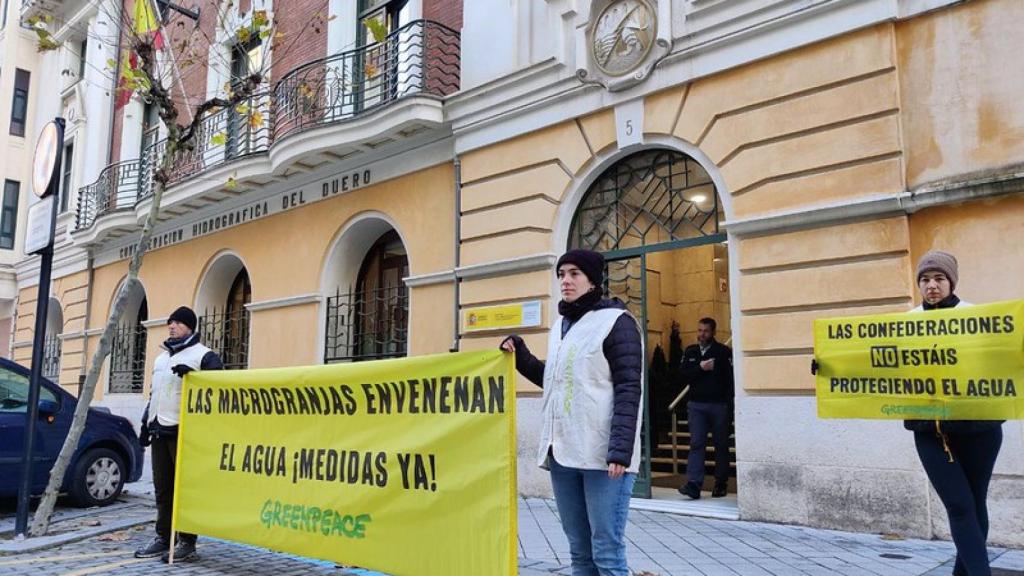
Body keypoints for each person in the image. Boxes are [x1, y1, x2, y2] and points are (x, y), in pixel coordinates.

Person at [500, 249, 642, 576]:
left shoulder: (616, 323)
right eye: (562, 274)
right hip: (563, 453)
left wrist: (620, 449)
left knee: (606, 552)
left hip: (604, 458)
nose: (566, 280)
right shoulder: (561, 327)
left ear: (593, 280)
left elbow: (628, 389)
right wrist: (520, 354)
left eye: (574, 273)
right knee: (579, 552)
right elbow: (554, 379)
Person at [905, 251, 1003, 576]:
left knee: (974, 505)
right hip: (930, 430)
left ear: (951, 281)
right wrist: (830, 368)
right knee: (960, 506)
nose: (932, 285)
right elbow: (874, 361)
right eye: (925, 279)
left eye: (939, 278)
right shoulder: (907, 321)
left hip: (979, 429)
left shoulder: (976, 316)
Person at [134, 306, 223, 563]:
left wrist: (195, 376)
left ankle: (187, 541)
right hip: (159, 428)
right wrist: (145, 424)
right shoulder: (161, 359)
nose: (172, 326)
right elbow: (155, 394)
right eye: (170, 322)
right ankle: (164, 537)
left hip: (186, 432)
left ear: (190, 327)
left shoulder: (205, 356)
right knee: (163, 488)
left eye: (178, 323)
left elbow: (219, 389)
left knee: (185, 489)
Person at [676, 318, 733, 500]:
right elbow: (682, 375)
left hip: (719, 405)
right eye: (699, 330)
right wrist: (700, 367)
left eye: (706, 331)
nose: (702, 334)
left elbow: (730, 381)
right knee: (696, 443)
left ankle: (720, 483)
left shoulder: (723, 352)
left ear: (713, 332)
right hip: (696, 405)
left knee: (721, 444)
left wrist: (729, 406)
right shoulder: (691, 351)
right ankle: (694, 484)